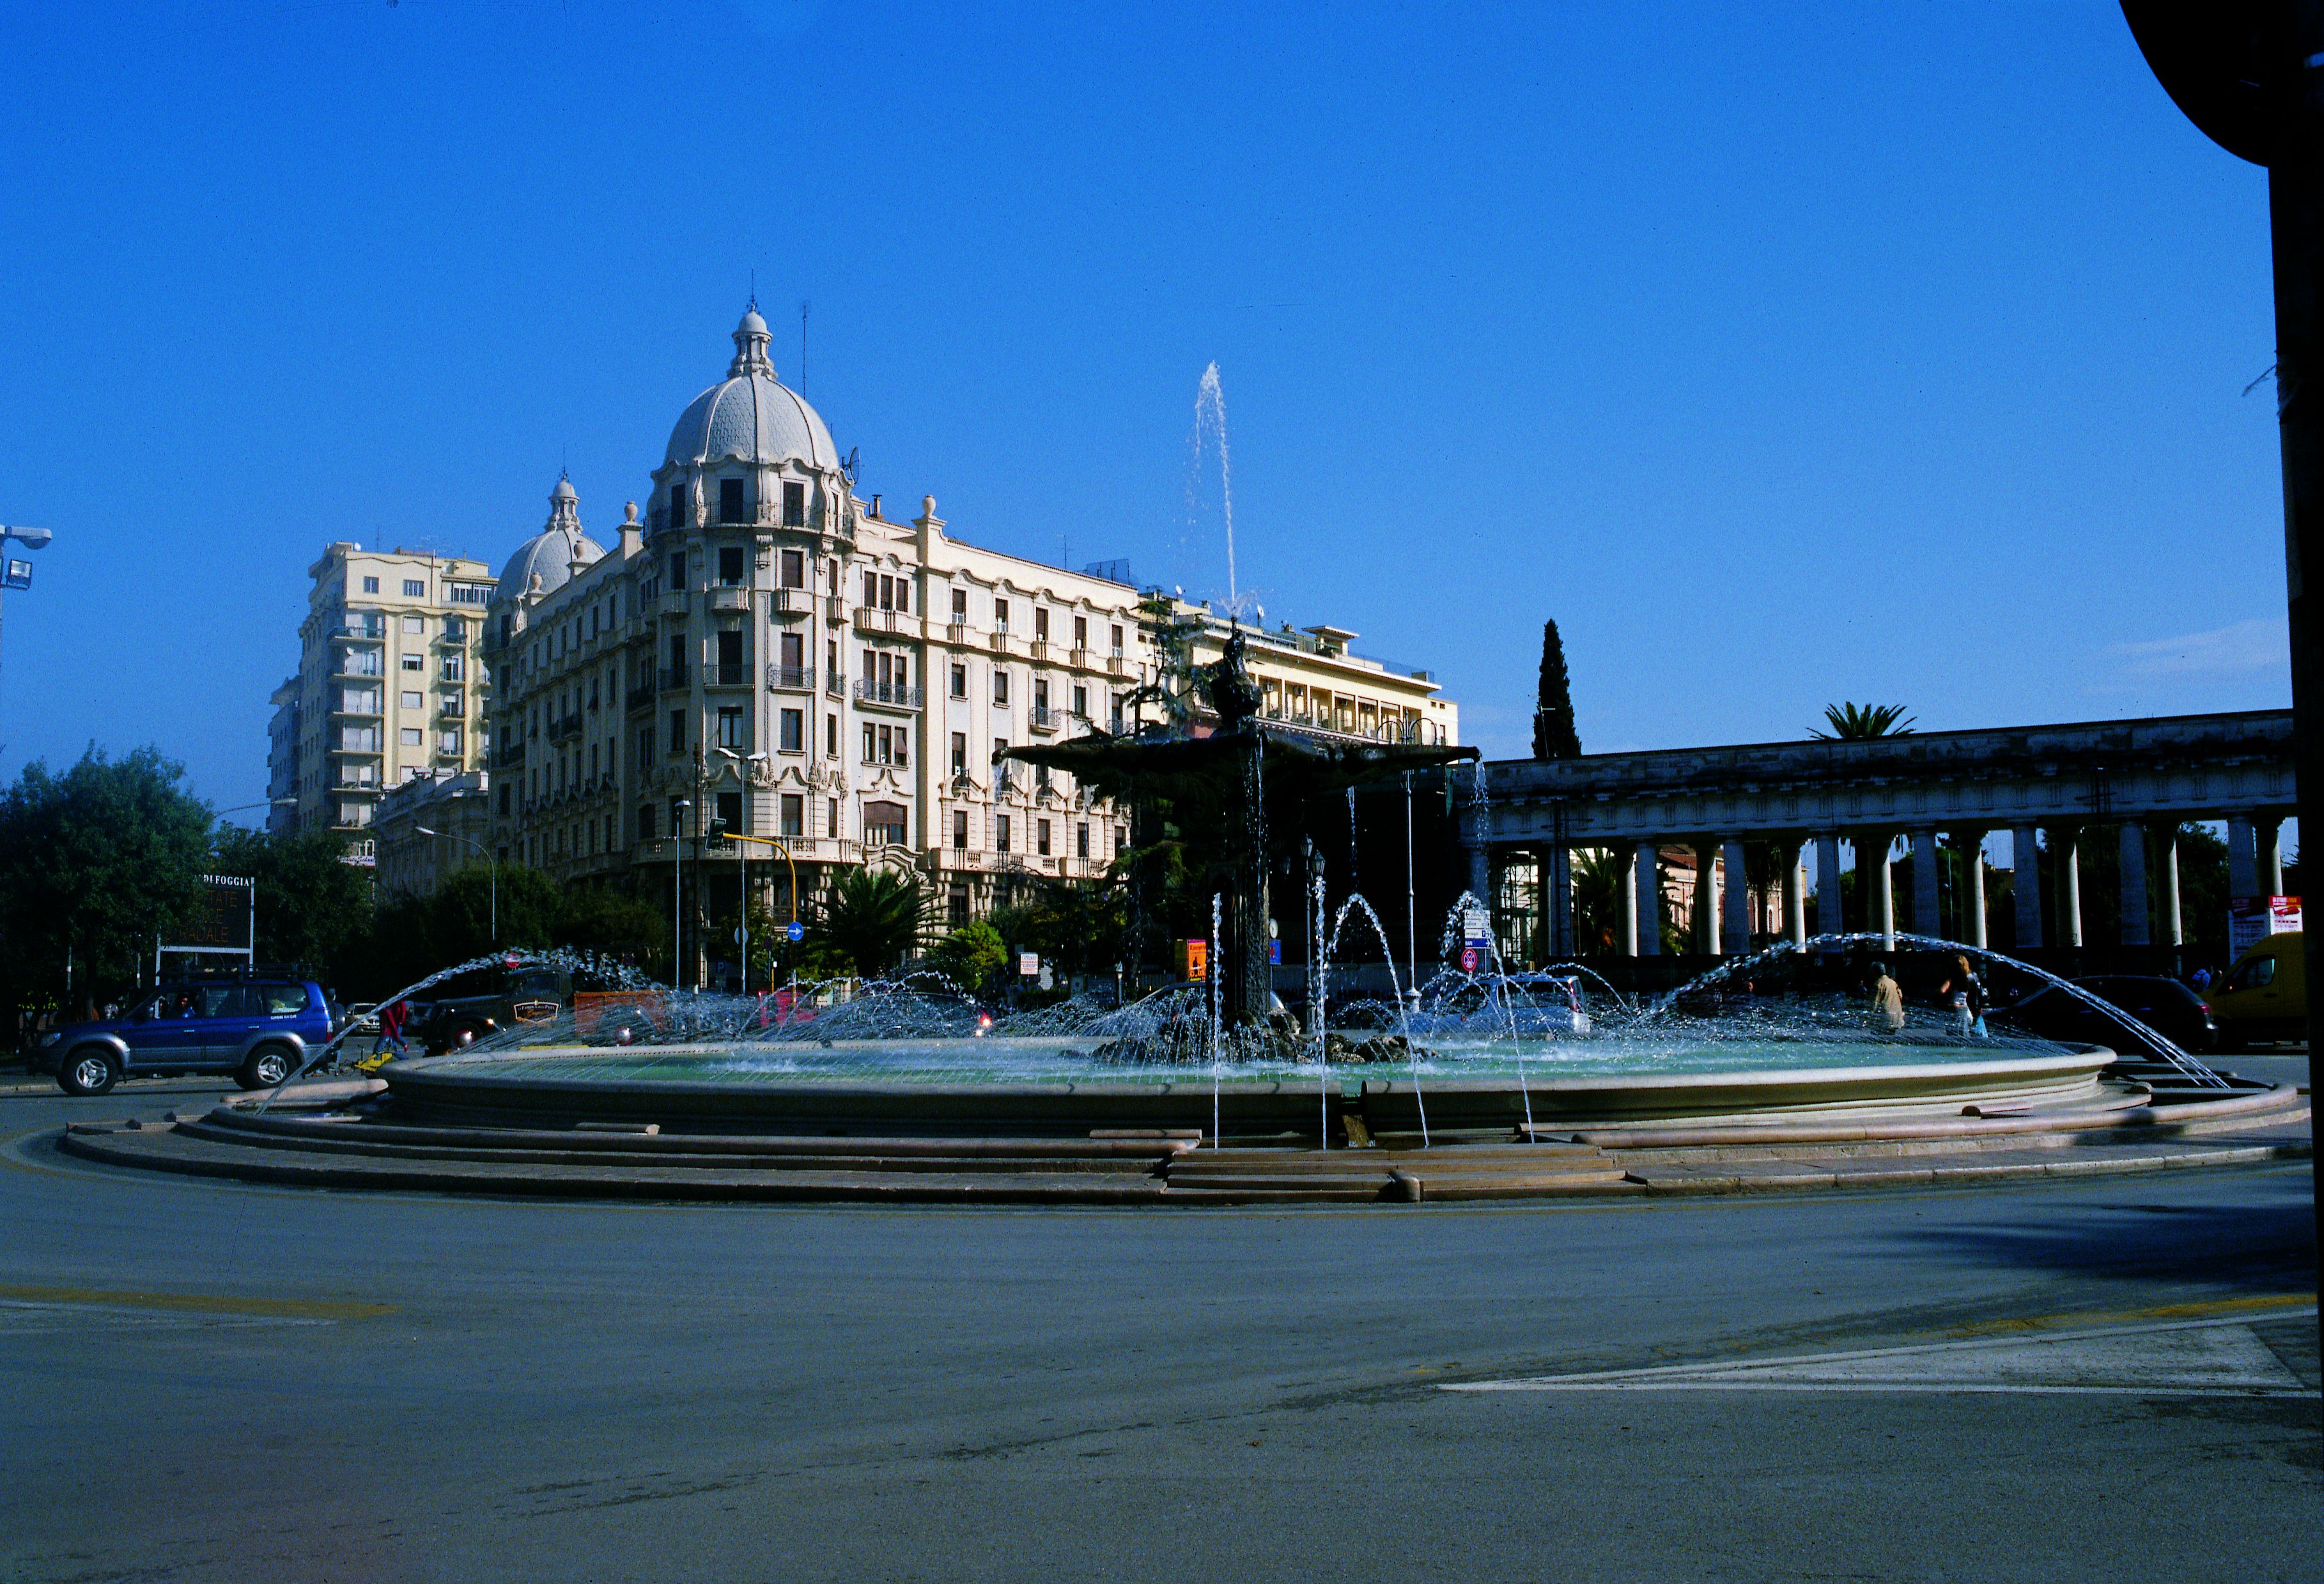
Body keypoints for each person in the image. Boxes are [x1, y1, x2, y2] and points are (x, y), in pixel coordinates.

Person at [1867, 960, 1905, 1034]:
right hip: (1896, 1016)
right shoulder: (1893, 983)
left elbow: (1874, 1004)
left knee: (1879, 1040)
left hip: (1884, 1019)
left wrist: (1869, 1019)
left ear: (1875, 972)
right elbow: (1900, 996)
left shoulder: (1878, 984)